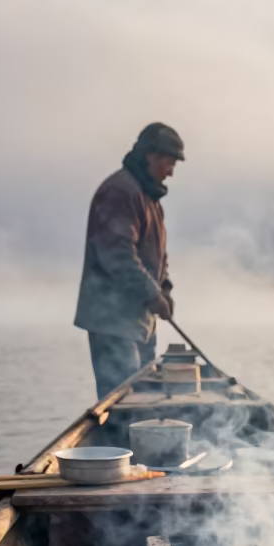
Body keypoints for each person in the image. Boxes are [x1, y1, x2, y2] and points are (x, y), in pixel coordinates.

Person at [74, 123, 184, 399]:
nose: (171, 172)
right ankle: (118, 441)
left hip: (140, 322)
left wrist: (165, 290)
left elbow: (159, 255)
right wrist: (151, 294)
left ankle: (137, 440)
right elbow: (118, 255)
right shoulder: (120, 193)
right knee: (121, 401)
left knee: (143, 398)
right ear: (151, 156)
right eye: (169, 163)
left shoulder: (150, 198)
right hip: (112, 322)